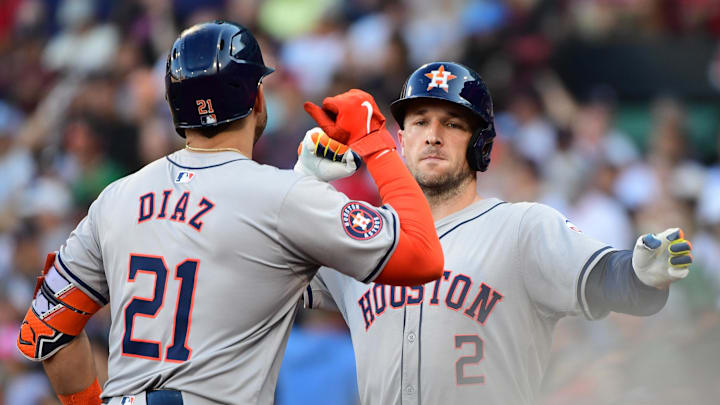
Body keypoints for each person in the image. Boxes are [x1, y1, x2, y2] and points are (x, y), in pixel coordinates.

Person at [15, 21, 444, 405]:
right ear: (257, 99)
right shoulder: (281, 197)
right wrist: (376, 141)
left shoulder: (117, 196)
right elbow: (422, 256)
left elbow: (46, 332)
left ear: (174, 107)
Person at [299, 61, 694, 405]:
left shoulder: (521, 228)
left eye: (452, 124)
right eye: (420, 122)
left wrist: (641, 275)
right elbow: (258, 269)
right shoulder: (363, 234)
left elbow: (611, 278)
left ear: (480, 144)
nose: (433, 135)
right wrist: (300, 184)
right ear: (401, 141)